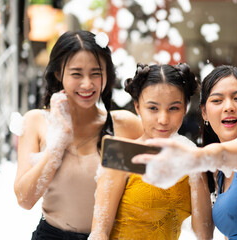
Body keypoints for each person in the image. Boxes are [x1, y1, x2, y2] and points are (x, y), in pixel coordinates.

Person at [133, 65, 237, 240]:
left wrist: (192, 158)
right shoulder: (219, 173)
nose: (228, 107)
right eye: (217, 100)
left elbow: (222, 153)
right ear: (204, 112)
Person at [13, 30, 143, 239]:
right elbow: (24, 200)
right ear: (58, 74)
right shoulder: (36, 122)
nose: (87, 84)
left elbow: (157, 185)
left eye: (95, 73)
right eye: (76, 73)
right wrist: (58, 141)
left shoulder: (126, 126)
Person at [89, 63, 213, 240]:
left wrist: (196, 170)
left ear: (185, 108)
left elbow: (204, 234)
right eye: (153, 108)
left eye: (173, 108)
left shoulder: (191, 157)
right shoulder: (123, 153)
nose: (163, 119)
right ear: (137, 107)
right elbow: (99, 232)